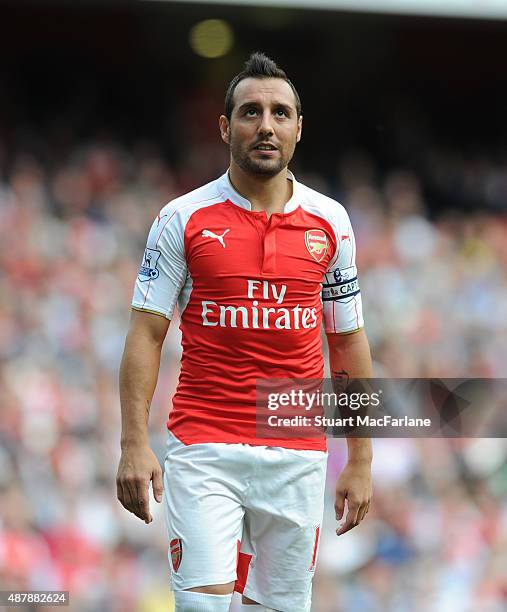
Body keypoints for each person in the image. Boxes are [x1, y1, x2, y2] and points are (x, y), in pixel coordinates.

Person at [116, 52, 373, 612]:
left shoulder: (332, 223)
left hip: (298, 450)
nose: (266, 125)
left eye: (280, 113)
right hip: (205, 444)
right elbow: (146, 334)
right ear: (225, 127)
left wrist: (360, 458)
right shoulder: (182, 218)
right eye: (251, 111)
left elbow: (347, 342)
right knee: (203, 604)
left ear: (298, 129)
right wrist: (134, 442)